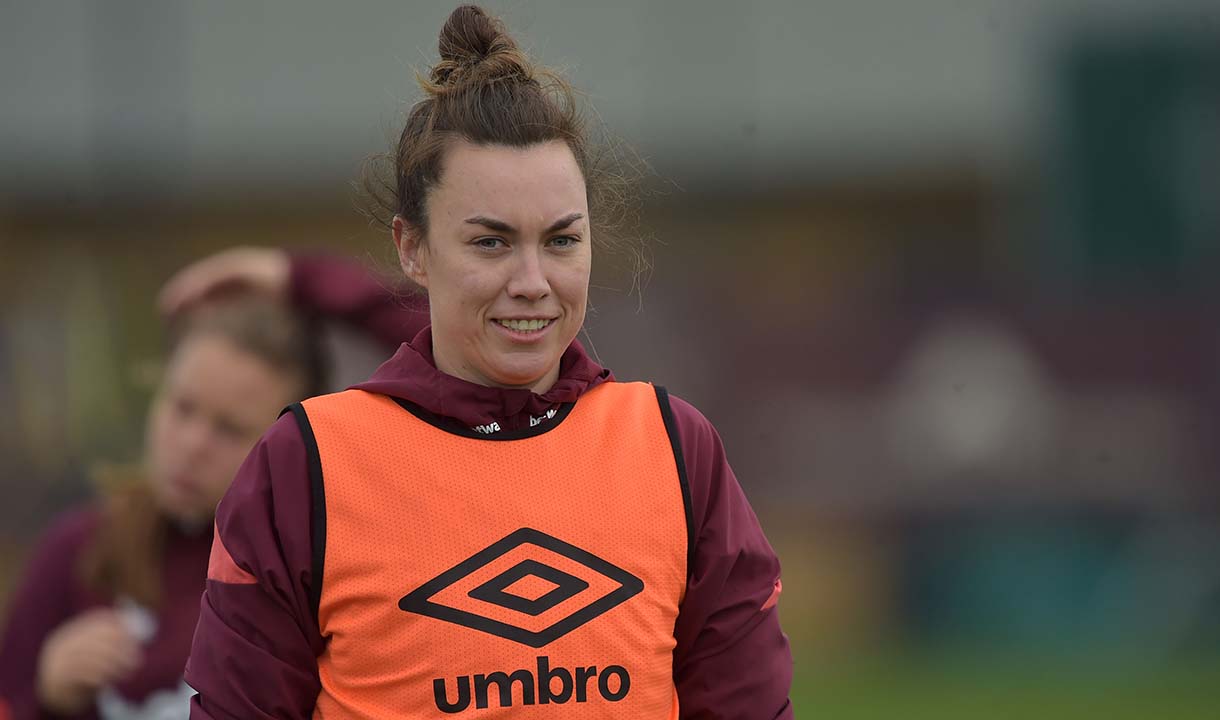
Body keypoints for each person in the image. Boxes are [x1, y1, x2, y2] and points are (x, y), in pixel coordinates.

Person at [185, 5, 793, 719]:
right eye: (491, 243)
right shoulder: (305, 464)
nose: (532, 279)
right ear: (412, 248)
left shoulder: (674, 448)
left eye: (562, 241)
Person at [0, 255, 428, 720]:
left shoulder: (311, 567)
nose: (191, 445)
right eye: (182, 408)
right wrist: (48, 696)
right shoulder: (80, 548)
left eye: (228, 429)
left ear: (289, 444)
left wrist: (301, 278)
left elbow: (449, 349)